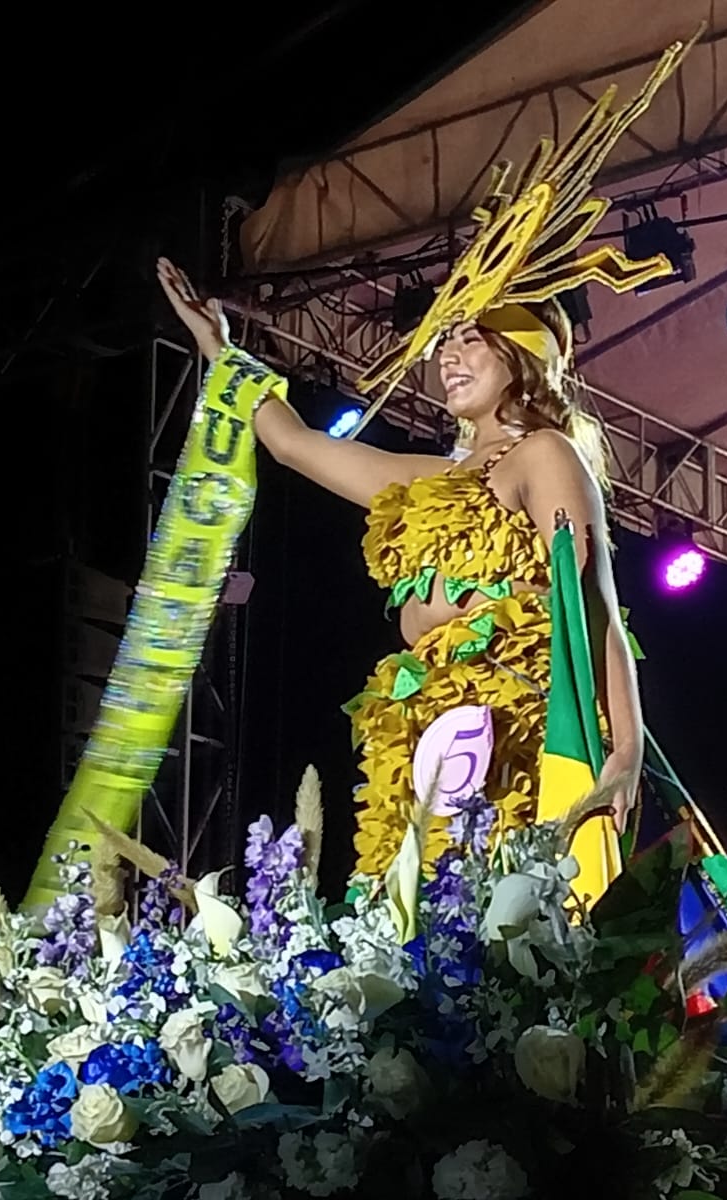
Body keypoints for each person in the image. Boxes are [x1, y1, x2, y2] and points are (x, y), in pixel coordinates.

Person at [156, 260, 644, 879]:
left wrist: (626, 746)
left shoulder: (543, 453)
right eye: (445, 342)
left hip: (515, 719)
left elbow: (593, 603)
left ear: (522, 356)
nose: (447, 356)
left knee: (508, 895)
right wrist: (218, 348)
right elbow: (292, 444)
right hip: (428, 720)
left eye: (471, 340)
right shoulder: (430, 477)